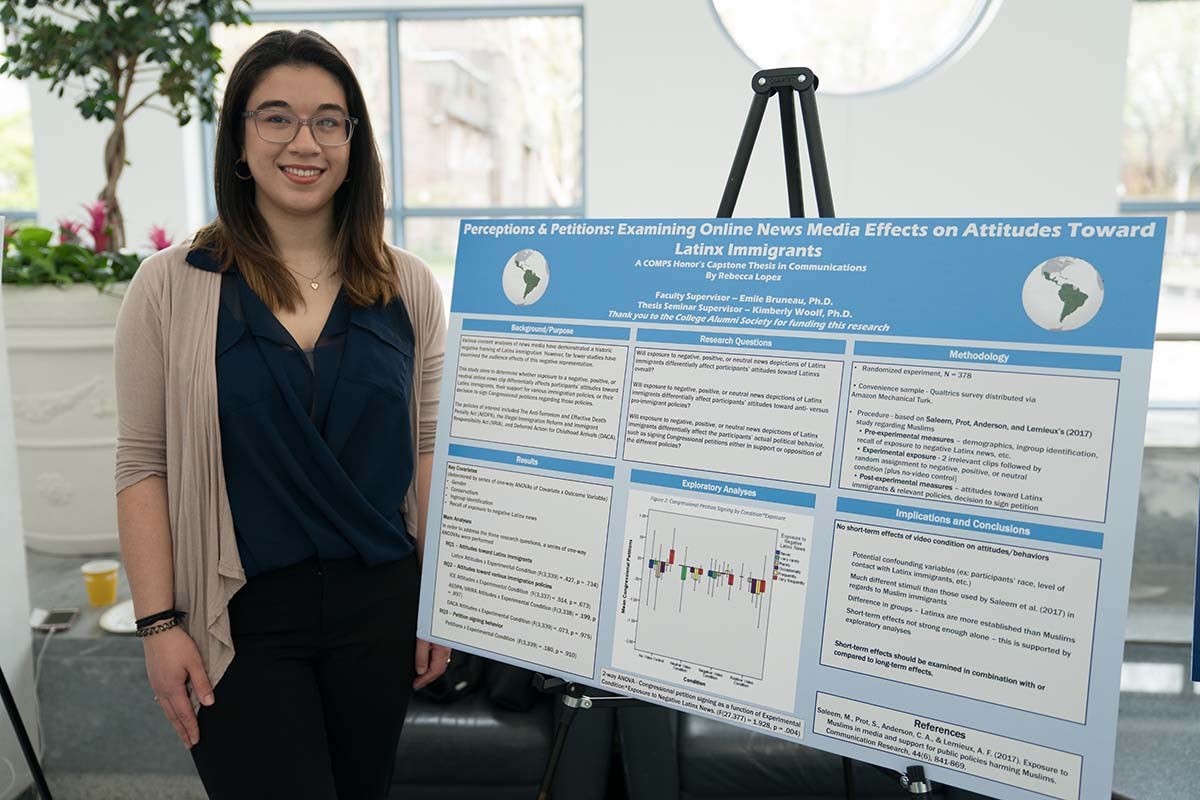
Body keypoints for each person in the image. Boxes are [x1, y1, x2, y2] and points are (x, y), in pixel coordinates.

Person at [113, 29, 450, 799]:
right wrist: (158, 626)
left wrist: (442, 605)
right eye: (277, 117)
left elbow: (427, 450)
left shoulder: (410, 286)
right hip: (237, 613)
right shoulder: (169, 287)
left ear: (353, 143)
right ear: (238, 138)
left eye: (330, 120)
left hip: (379, 609)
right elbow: (143, 464)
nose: (306, 141)